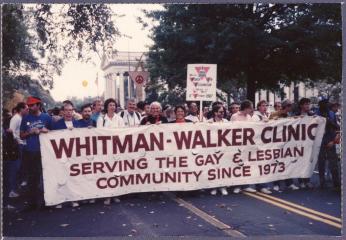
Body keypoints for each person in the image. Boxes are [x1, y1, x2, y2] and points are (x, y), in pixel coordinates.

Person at [20, 96, 52, 211]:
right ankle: (32, 203)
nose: (30, 107)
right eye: (29, 105)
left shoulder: (46, 117)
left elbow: (54, 133)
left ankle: (46, 202)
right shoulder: (25, 118)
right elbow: (21, 135)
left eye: (32, 105)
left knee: (45, 178)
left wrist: (46, 131)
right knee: (32, 178)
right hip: (31, 151)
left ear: (38, 105)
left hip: (45, 152)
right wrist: (30, 132)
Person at [51, 100, 80, 208]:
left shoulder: (78, 123)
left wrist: (89, 130)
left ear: (73, 112)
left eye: (70, 110)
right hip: (62, 154)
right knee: (61, 177)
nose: (68, 112)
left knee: (73, 177)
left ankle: (73, 199)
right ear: (62, 112)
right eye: (66, 110)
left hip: (74, 155)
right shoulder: (56, 124)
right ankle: (60, 199)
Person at [97, 98, 124, 205]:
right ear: (106, 107)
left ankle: (116, 194)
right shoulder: (101, 119)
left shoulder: (119, 119)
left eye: (114, 105)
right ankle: (107, 196)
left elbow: (123, 132)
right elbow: (99, 133)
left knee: (117, 172)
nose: (112, 107)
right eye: (110, 105)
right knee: (107, 172)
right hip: (105, 149)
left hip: (117, 149)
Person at [269, 99, 300, 191]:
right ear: (287, 106)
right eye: (290, 106)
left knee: (287, 163)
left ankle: (289, 183)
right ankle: (276, 183)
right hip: (277, 142)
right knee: (277, 163)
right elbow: (270, 126)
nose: (291, 108)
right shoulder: (275, 114)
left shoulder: (290, 115)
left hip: (287, 142)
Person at [230, 100, 258, 194]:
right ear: (246, 108)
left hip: (246, 145)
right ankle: (236, 186)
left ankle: (246, 185)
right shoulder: (235, 116)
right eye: (250, 108)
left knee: (245, 165)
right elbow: (230, 130)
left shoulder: (249, 117)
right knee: (237, 165)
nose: (252, 110)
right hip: (236, 145)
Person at [317, 99, 340, 190]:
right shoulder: (316, 114)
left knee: (333, 163)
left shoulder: (331, 114)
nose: (326, 106)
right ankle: (322, 183)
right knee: (321, 163)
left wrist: (333, 141)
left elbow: (336, 128)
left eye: (327, 104)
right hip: (320, 141)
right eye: (325, 105)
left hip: (330, 140)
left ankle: (336, 184)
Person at [208, 105, 229, 196]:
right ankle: (214, 187)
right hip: (212, 148)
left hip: (224, 148)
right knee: (213, 168)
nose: (222, 113)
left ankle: (223, 187)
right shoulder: (209, 122)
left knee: (223, 168)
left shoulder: (226, 121)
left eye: (223, 111)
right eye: (220, 112)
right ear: (215, 113)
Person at [295, 98, 315, 189]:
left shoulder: (312, 115)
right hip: (299, 143)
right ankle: (301, 181)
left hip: (309, 142)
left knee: (308, 162)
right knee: (300, 162)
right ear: (301, 106)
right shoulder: (296, 116)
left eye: (309, 104)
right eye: (306, 104)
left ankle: (307, 180)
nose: (308, 106)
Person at [9, 102, 29, 191]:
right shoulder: (16, 118)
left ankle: (17, 187)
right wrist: (17, 141)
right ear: (21, 109)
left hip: (22, 145)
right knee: (16, 168)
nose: (28, 110)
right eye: (26, 109)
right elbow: (11, 131)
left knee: (21, 167)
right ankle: (12, 189)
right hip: (18, 146)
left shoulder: (21, 118)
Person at [3, 109, 19, 210]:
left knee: (6, 179)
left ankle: (5, 203)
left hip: (7, 155)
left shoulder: (5, 127)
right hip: (6, 156)